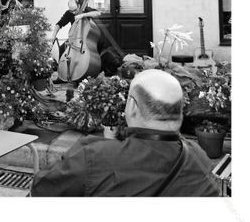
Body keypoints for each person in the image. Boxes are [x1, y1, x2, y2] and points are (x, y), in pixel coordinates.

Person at [31, 69, 219, 196]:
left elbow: (41, 190)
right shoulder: (199, 158)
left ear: (132, 106)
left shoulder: (94, 156)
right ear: (179, 112)